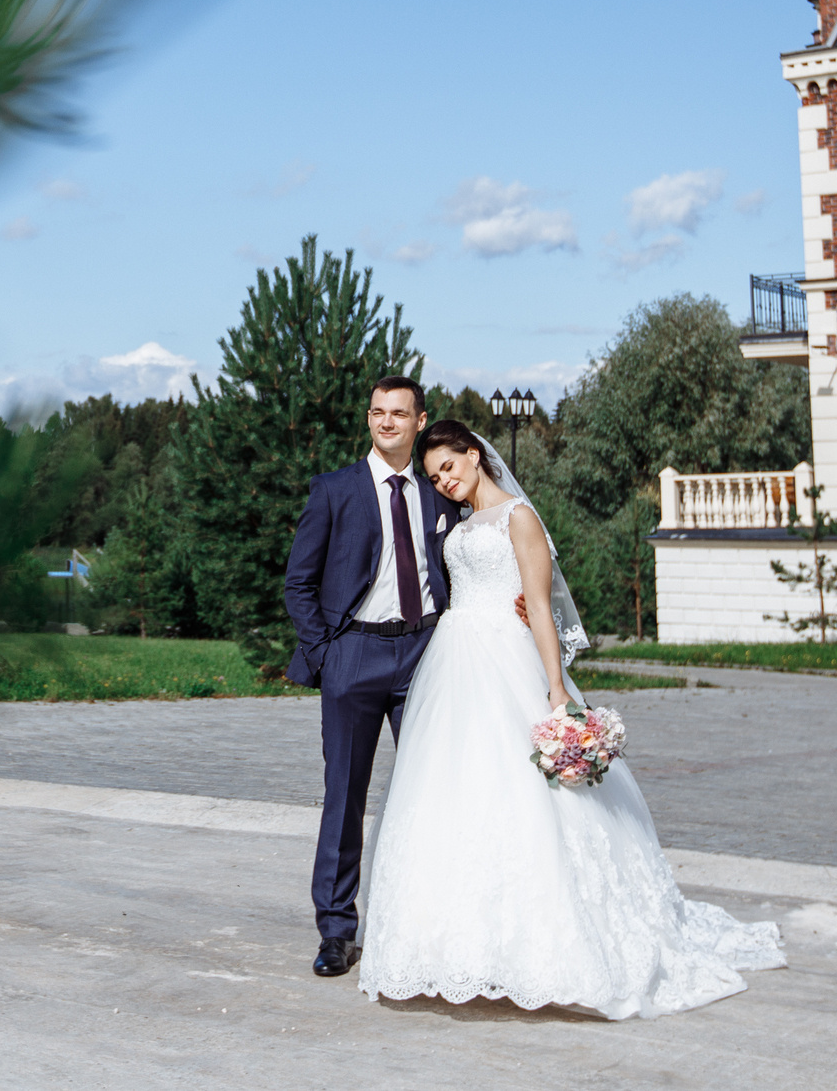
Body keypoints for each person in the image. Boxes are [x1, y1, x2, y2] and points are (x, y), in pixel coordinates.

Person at [353, 418, 785, 1017]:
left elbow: (538, 609)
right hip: (455, 664)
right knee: (455, 794)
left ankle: (542, 950)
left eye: (449, 467)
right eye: (433, 477)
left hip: (505, 660)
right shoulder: (459, 523)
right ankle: (451, 949)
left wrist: (556, 689)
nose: (444, 481)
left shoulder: (518, 519)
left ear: (475, 454)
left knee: (529, 801)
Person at [280, 375, 463, 978]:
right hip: (354, 654)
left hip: (425, 655)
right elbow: (298, 583)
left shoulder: (441, 494)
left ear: (419, 420)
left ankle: (434, 923)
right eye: (378, 413)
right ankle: (336, 931)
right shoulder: (334, 491)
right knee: (345, 798)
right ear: (368, 420)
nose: (387, 422)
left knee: (434, 794)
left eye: (399, 413)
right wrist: (328, 653)